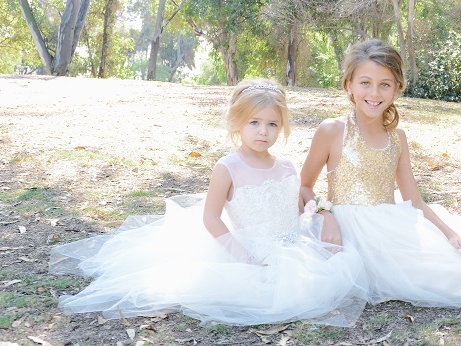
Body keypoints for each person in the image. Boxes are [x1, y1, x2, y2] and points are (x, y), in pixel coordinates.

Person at [50, 80, 367, 327]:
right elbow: (211, 219)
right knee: (271, 292)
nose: (263, 131)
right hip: (252, 249)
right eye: (255, 122)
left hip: (292, 245)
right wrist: (243, 257)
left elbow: (299, 205)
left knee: (337, 269)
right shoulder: (228, 168)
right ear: (237, 123)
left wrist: (322, 213)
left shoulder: (285, 166)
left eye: (272, 124)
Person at [299, 39, 461, 307]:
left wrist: (450, 234)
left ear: (397, 89)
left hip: (388, 229)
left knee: (459, 273)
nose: (374, 93)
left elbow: (414, 200)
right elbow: (304, 186)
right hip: (346, 230)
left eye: (384, 84)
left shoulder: (397, 138)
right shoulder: (332, 130)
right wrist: (326, 214)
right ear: (349, 85)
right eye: (365, 82)